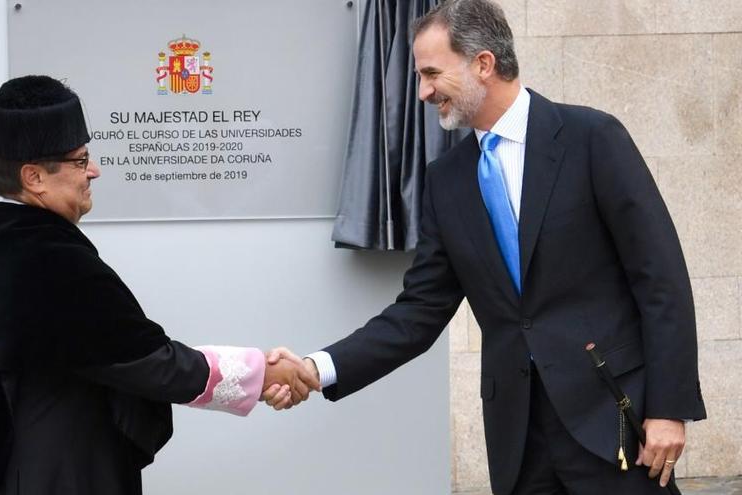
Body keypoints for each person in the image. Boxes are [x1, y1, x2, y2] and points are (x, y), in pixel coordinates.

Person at [266, 1, 706, 493]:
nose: (423, 91)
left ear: (483, 63)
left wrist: (669, 408)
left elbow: (661, 279)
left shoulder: (591, 138)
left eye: (432, 73)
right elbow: (419, 311)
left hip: (613, 422)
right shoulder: (446, 180)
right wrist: (314, 368)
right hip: (518, 438)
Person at [0, 75, 318, 495]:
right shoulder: (46, 258)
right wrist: (261, 373)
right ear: (34, 177)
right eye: (79, 160)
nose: (94, 170)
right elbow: (146, 361)